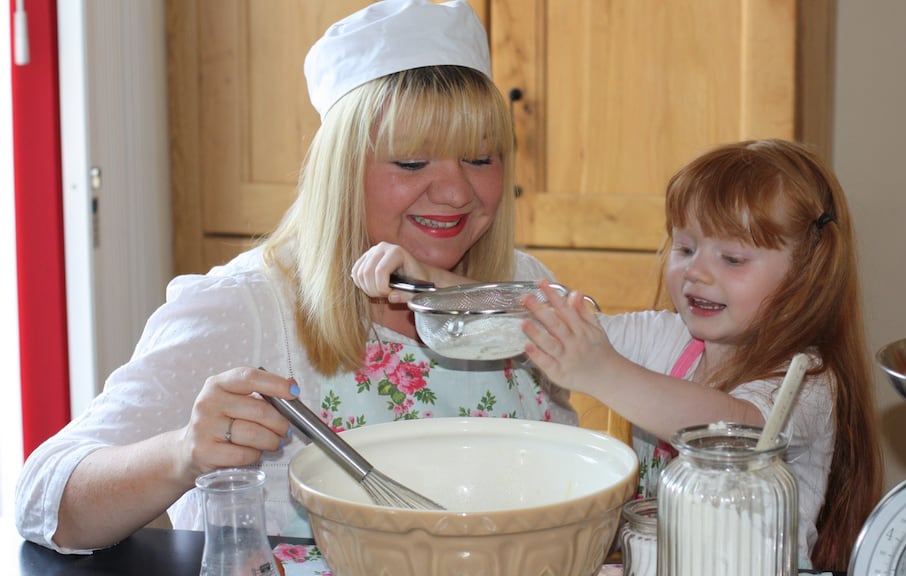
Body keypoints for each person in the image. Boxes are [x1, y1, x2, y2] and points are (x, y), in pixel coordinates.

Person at [16, 0, 573, 554]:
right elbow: (46, 497)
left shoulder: (519, 286)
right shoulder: (249, 308)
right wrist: (182, 452)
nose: (455, 192)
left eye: (480, 158)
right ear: (339, 168)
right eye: (411, 162)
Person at [520, 139, 882, 571]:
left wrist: (604, 373)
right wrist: (442, 282)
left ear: (807, 275)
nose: (696, 272)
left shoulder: (807, 382)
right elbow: (562, 327)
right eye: (686, 248)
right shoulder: (669, 339)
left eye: (732, 258)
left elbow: (734, 432)